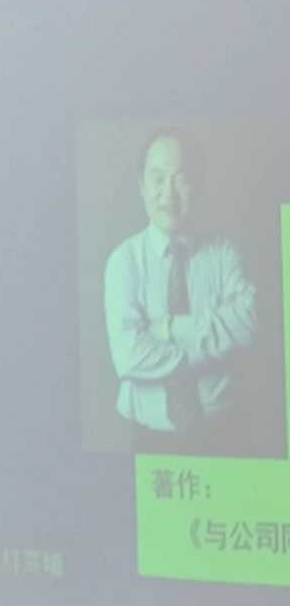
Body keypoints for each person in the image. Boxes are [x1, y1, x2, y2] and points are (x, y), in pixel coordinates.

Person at [104, 129, 257, 454]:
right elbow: (128, 356)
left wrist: (170, 329)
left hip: (223, 427)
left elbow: (249, 326)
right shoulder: (124, 261)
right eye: (158, 179)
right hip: (146, 434)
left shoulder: (224, 253)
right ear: (141, 186)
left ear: (197, 185)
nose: (168, 194)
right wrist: (208, 350)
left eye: (181, 179)